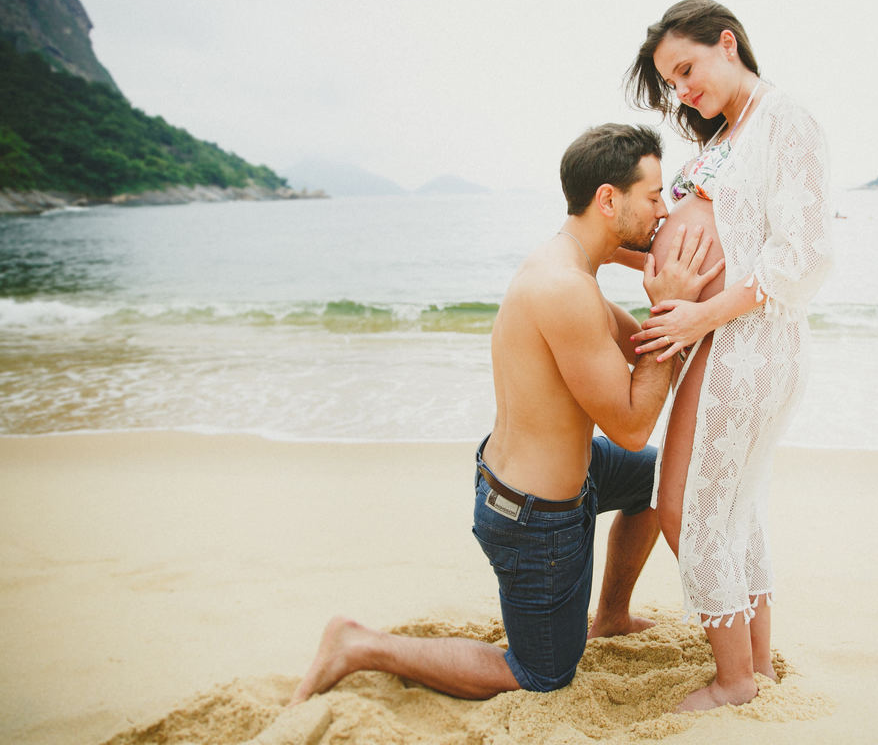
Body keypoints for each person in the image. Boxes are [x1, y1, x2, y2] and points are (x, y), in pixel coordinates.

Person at [288, 123, 724, 705]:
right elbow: (630, 421)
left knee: (653, 477)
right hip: (533, 517)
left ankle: (611, 615)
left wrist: (669, 297)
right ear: (608, 199)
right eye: (654, 197)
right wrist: (673, 306)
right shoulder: (563, 288)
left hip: (565, 471)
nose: (663, 213)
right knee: (542, 674)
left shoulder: (571, 265)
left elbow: (638, 348)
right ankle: (359, 645)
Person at [623, 0, 834, 712]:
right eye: (672, 84)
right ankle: (758, 666)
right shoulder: (730, 134)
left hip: (747, 341)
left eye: (686, 69)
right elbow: (708, 240)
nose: (682, 91)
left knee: (683, 506)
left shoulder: (784, 119)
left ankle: (734, 681)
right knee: (733, 509)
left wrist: (698, 318)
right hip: (724, 338)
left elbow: (803, 257)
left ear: (727, 42)